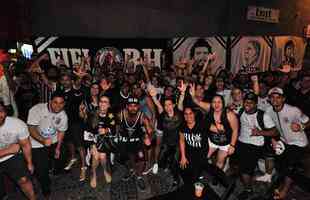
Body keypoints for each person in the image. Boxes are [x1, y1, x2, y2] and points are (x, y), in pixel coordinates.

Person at [266, 87, 310, 200]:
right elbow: (272, 129)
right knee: (281, 164)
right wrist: (273, 140)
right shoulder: (268, 111)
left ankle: (284, 191)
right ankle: (284, 183)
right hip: (284, 141)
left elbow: (307, 121)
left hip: (299, 143)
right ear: (269, 99)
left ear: (283, 99)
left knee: (289, 166)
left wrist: (301, 126)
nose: (275, 99)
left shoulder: (293, 110)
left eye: (278, 97)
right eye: (272, 97)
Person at [236, 92, 278, 199]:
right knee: (241, 166)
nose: (247, 104)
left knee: (244, 170)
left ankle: (248, 190)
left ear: (256, 104)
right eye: (246, 102)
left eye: (251, 102)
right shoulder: (240, 110)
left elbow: (275, 132)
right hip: (241, 142)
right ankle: (250, 172)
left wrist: (260, 133)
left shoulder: (263, 115)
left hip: (255, 144)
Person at [27, 91, 68, 199]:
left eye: (61, 103)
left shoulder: (63, 115)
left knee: (63, 154)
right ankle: (46, 190)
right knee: (42, 170)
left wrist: (58, 148)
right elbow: (31, 128)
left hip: (52, 140)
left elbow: (61, 131)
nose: (58, 106)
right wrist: (42, 140)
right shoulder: (37, 109)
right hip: (37, 142)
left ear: (64, 104)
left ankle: (53, 170)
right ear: (50, 101)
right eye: (55, 102)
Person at [0, 101, 36, 200]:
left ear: (5, 112)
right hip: (10, 151)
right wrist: (9, 150)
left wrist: (29, 163)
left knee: (24, 180)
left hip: (12, 156)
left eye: (1, 111)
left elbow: (25, 145)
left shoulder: (17, 124)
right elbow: (13, 149)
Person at [117, 97, 153, 190]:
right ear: (127, 106)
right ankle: (131, 170)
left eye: (135, 106)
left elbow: (150, 130)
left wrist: (147, 136)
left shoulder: (142, 116)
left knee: (141, 160)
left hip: (137, 141)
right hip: (124, 141)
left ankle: (139, 176)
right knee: (126, 159)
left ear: (138, 107)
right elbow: (113, 125)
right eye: (130, 106)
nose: (133, 108)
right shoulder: (121, 114)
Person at [83, 95, 116, 188]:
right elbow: (87, 132)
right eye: (101, 101)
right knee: (95, 155)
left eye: (105, 102)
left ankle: (105, 170)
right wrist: (92, 145)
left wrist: (106, 130)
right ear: (98, 103)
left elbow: (113, 129)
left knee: (102, 156)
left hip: (105, 140)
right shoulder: (92, 114)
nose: (102, 103)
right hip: (92, 139)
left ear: (109, 105)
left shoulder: (111, 115)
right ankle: (93, 174)